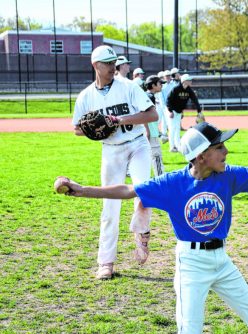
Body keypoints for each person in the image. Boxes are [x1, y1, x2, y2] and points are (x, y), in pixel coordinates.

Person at [57, 122, 248, 333]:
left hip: (222, 261)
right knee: (190, 328)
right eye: (218, 147)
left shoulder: (227, 176)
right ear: (201, 156)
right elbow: (128, 189)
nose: (226, 151)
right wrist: (83, 190)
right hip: (190, 263)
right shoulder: (172, 184)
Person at [72, 45, 158, 280]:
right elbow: (78, 129)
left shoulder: (128, 87)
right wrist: (95, 130)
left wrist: (118, 120)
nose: (112, 67)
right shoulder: (86, 96)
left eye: (114, 63)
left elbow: (152, 115)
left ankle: (141, 232)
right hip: (111, 151)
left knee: (144, 192)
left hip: (137, 144)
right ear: (95, 66)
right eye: (107, 63)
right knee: (109, 207)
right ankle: (105, 262)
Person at [166, 73, 202, 153]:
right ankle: (172, 147)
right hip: (171, 110)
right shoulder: (176, 89)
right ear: (184, 81)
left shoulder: (189, 90)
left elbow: (195, 100)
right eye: (189, 80)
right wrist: (170, 111)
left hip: (178, 111)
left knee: (177, 128)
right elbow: (168, 100)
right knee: (172, 129)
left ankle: (178, 146)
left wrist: (199, 111)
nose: (191, 81)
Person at [144, 75, 166, 176]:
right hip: (151, 133)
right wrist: (148, 131)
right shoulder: (150, 97)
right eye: (160, 83)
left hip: (152, 131)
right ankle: (161, 180)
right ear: (153, 85)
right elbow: (145, 115)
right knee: (156, 157)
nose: (161, 85)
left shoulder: (148, 96)